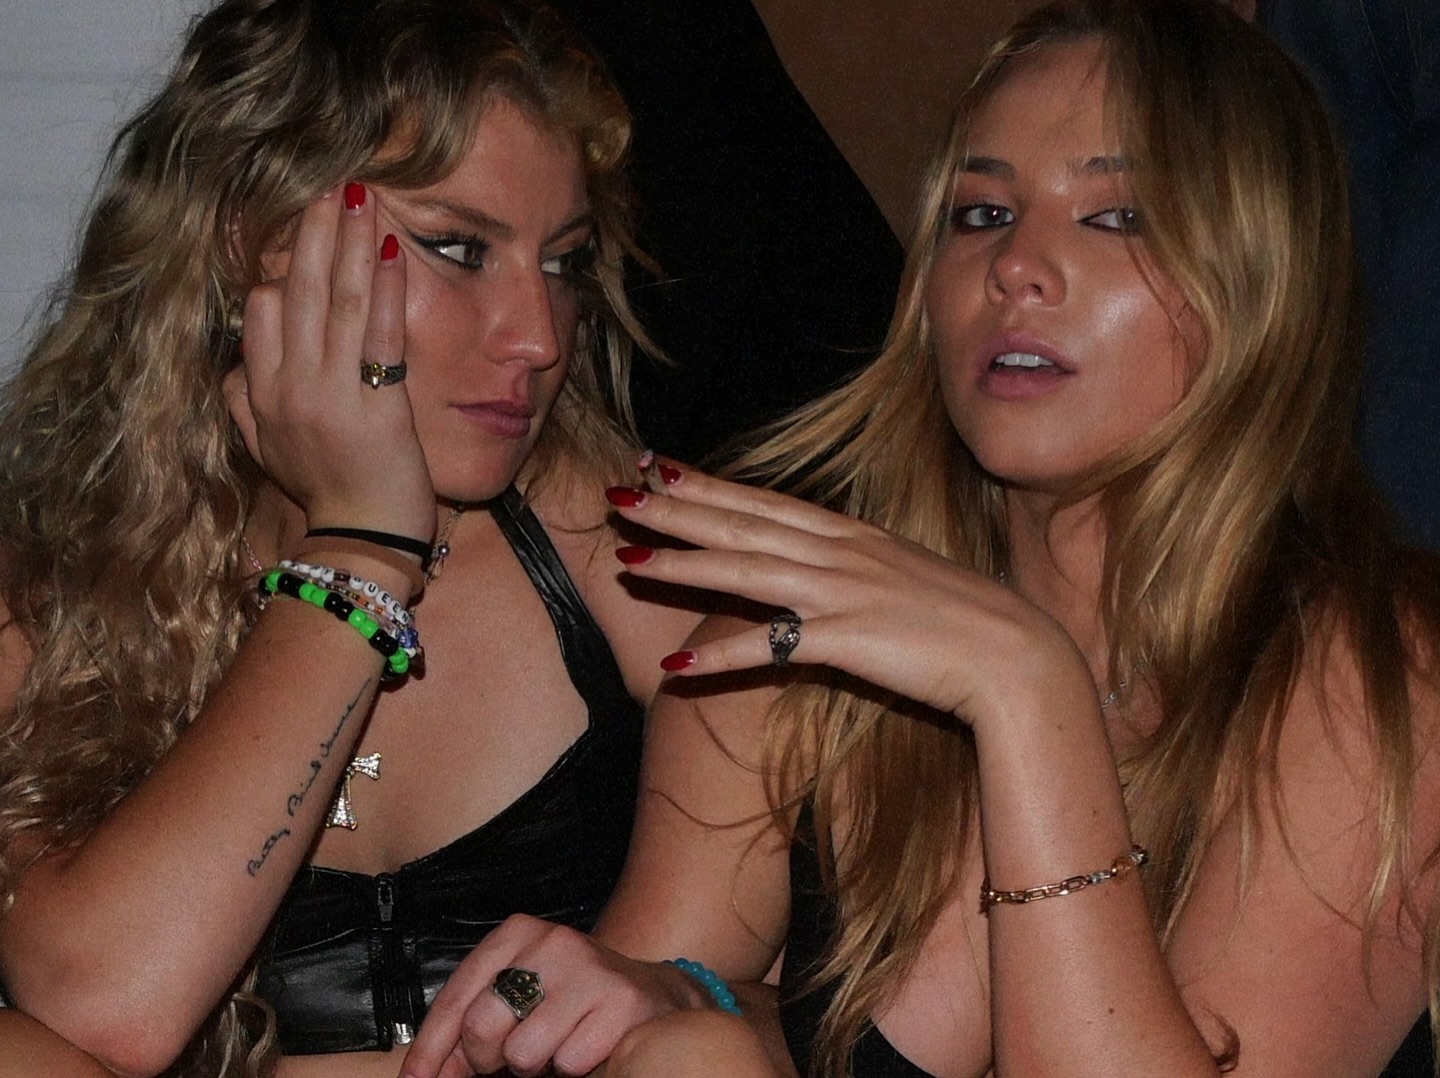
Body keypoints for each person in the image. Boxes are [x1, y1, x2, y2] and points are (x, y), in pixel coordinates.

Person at [399, 1, 1440, 1076]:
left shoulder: (1380, 671)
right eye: (982, 214)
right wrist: (677, 993)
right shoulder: (793, 656)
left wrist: (1028, 694)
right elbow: (640, 1010)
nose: (1017, 266)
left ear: (1264, 280)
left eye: (1117, 216)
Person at [0, 1, 702, 1076]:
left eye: (563, 263)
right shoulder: (51, 581)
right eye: (459, 248)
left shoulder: (622, 544)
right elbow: (110, 1002)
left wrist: (692, 988)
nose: (536, 337)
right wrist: (362, 549)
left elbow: (798, 1000)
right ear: (253, 235)